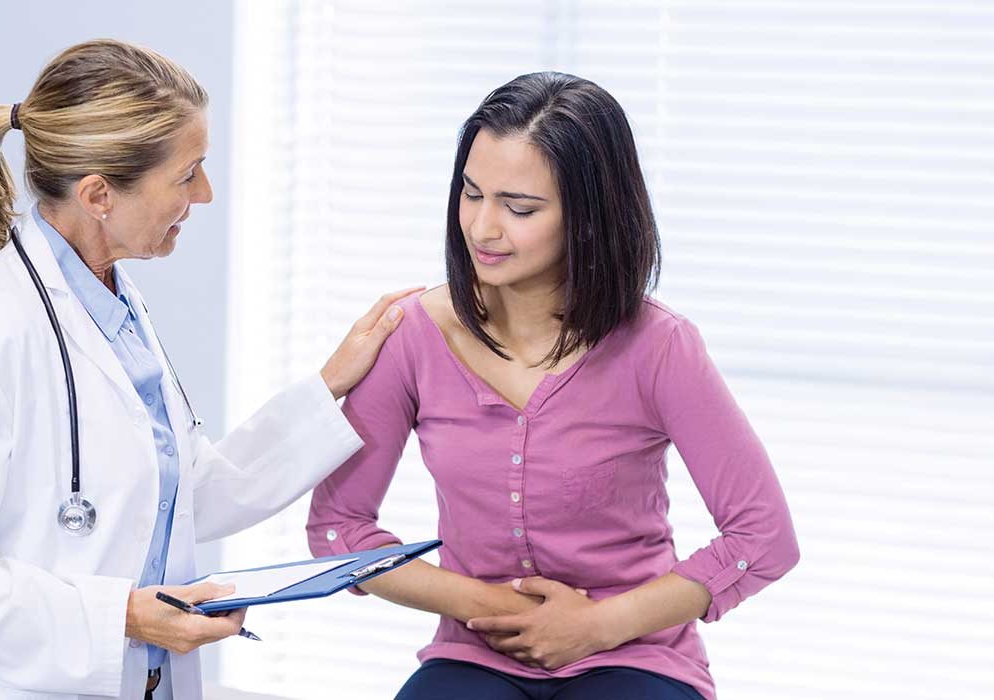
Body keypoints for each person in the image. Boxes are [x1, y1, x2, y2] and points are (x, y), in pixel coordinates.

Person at [0, 39, 419, 700]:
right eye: (188, 174)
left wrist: (330, 384)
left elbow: (183, 495)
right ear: (99, 194)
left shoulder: (113, 307)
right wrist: (123, 618)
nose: (205, 194)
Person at [306, 72, 800, 700]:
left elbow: (763, 536)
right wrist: (489, 605)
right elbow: (338, 529)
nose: (482, 228)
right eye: (471, 194)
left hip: (636, 656)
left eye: (519, 208)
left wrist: (596, 626)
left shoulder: (660, 346)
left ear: (588, 217)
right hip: (473, 656)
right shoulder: (411, 335)